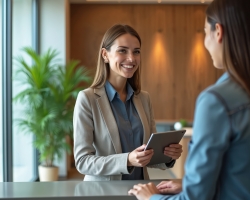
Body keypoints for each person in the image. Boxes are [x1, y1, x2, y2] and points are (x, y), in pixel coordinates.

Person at [128, 0, 250, 199]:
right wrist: (191, 186)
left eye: (205, 32)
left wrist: (152, 197)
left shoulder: (216, 101)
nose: (206, 42)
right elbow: (247, 177)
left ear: (219, 31)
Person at [73, 24, 183, 181]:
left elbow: (149, 155)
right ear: (105, 54)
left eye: (136, 51)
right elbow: (83, 162)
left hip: (140, 191)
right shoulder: (87, 99)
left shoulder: (144, 99)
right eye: (122, 50)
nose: (131, 58)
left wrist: (167, 156)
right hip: (103, 193)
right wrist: (127, 160)